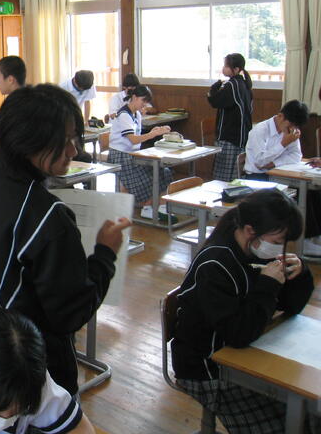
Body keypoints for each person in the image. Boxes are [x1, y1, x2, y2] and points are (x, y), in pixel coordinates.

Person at [0, 84, 129, 395]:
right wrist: (105, 254)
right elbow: (72, 312)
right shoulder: (47, 215)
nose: (73, 150)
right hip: (33, 375)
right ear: (28, 140)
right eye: (64, 140)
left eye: (75, 139)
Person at [172, 190, 318, 434]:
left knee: (310, 410)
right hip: (208, 369)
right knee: (293, 422)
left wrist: (300, 274)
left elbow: (290, 307)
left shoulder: (254, 251)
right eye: (277, 242)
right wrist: (268, 286)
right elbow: (238, 333)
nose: (281, 249)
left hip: (244, 351)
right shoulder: (215, 265)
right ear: (250, 230)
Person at [243, 99, 321, 256]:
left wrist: (273, 163)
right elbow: (259, 163)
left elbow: (296, 156)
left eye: (296, 126)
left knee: (314, 192)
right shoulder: (260, 131)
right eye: (290, 125)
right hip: (257, 178)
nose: (292, 129)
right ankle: (304, 241)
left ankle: (314, 237)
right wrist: (283, 144)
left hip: (276, 173)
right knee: (301, 196)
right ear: (280, 116)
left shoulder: (291, 131)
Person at [108, 85, 172, 220]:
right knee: (149, 177)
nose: (144, 105)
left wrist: (155, 131)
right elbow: (133, 139)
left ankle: (156, 206)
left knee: (164, 171)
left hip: (133, 155)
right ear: (134, 97)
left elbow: (138, 136)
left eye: (146, 102)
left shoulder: (136, 114)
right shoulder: (124, 114)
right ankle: (149, 207)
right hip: (120, 156)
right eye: (143, 101)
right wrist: (152, 134)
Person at [208, 53, 253, 181]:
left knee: (222, 178)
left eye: (226, 66)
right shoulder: (244, 83)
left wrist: (213, 89)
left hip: (229, 136)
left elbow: (214, 101)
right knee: (236, 175)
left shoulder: (232, 85)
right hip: (241, 135)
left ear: (236, 69)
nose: (223, 68)